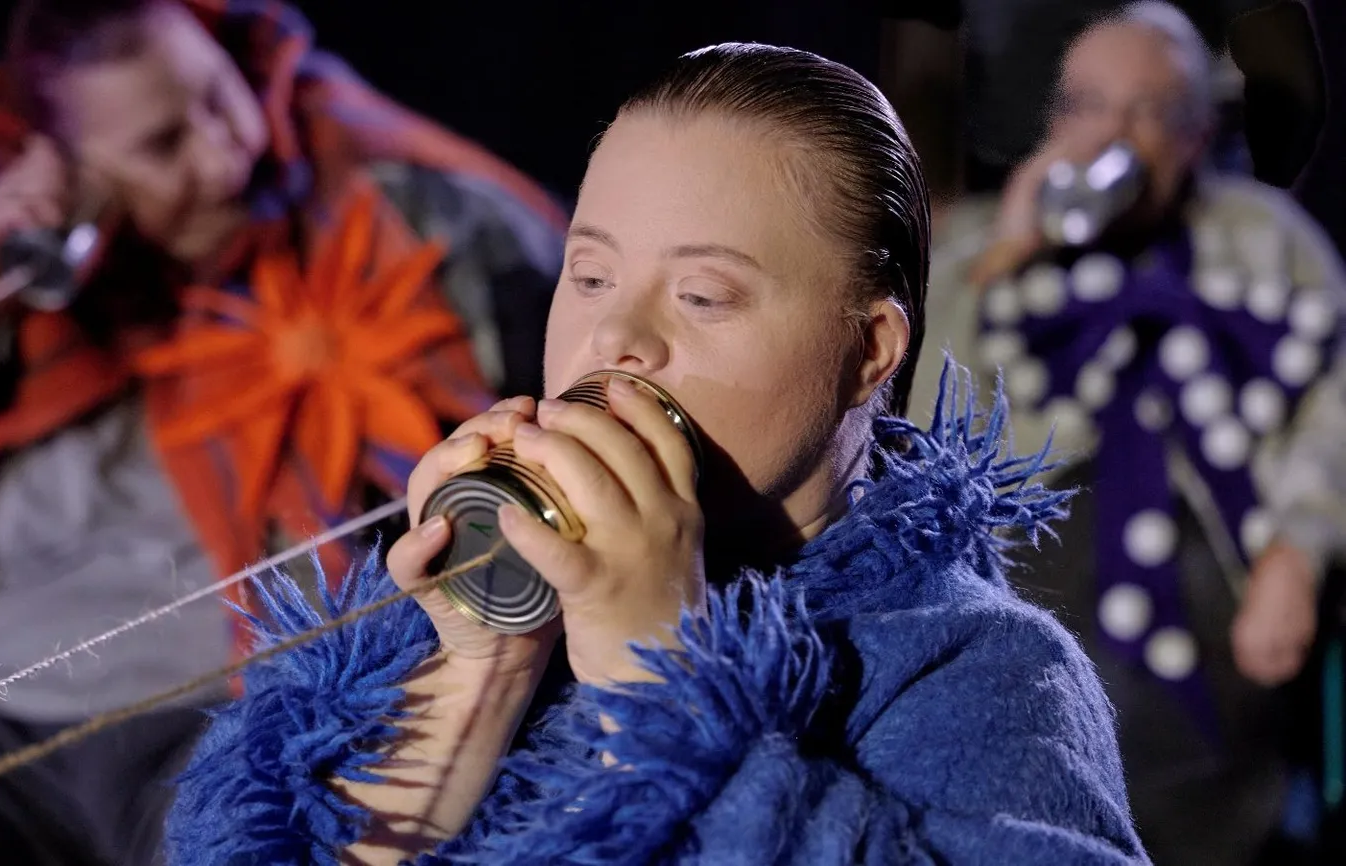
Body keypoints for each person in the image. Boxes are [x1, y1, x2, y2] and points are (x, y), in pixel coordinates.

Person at [165, 43, 1147, 864]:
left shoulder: (980, 668)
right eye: (588, 274)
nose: (613, 337)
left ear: (867, 352)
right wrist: (483, 666)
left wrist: (660, 675)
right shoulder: (443, 628)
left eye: (701, 295)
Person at [0, 0, 564, 862]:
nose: (228, 154)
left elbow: (562, 329)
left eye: (220, 97)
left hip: (210, 708)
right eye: (162, 145)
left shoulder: (383, 202)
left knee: (261, 827)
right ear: (67, 168)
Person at [910, 2, 1344, 862]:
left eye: (1150, 111)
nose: (1117, 134)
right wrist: (1009, 256)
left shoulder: (1262, 240)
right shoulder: (979, 248)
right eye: (1091, 107)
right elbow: (925, 422)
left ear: (1195, 131)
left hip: (1220, 618)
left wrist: (1300, 551)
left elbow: (1331, 409)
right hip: (1027, 610)